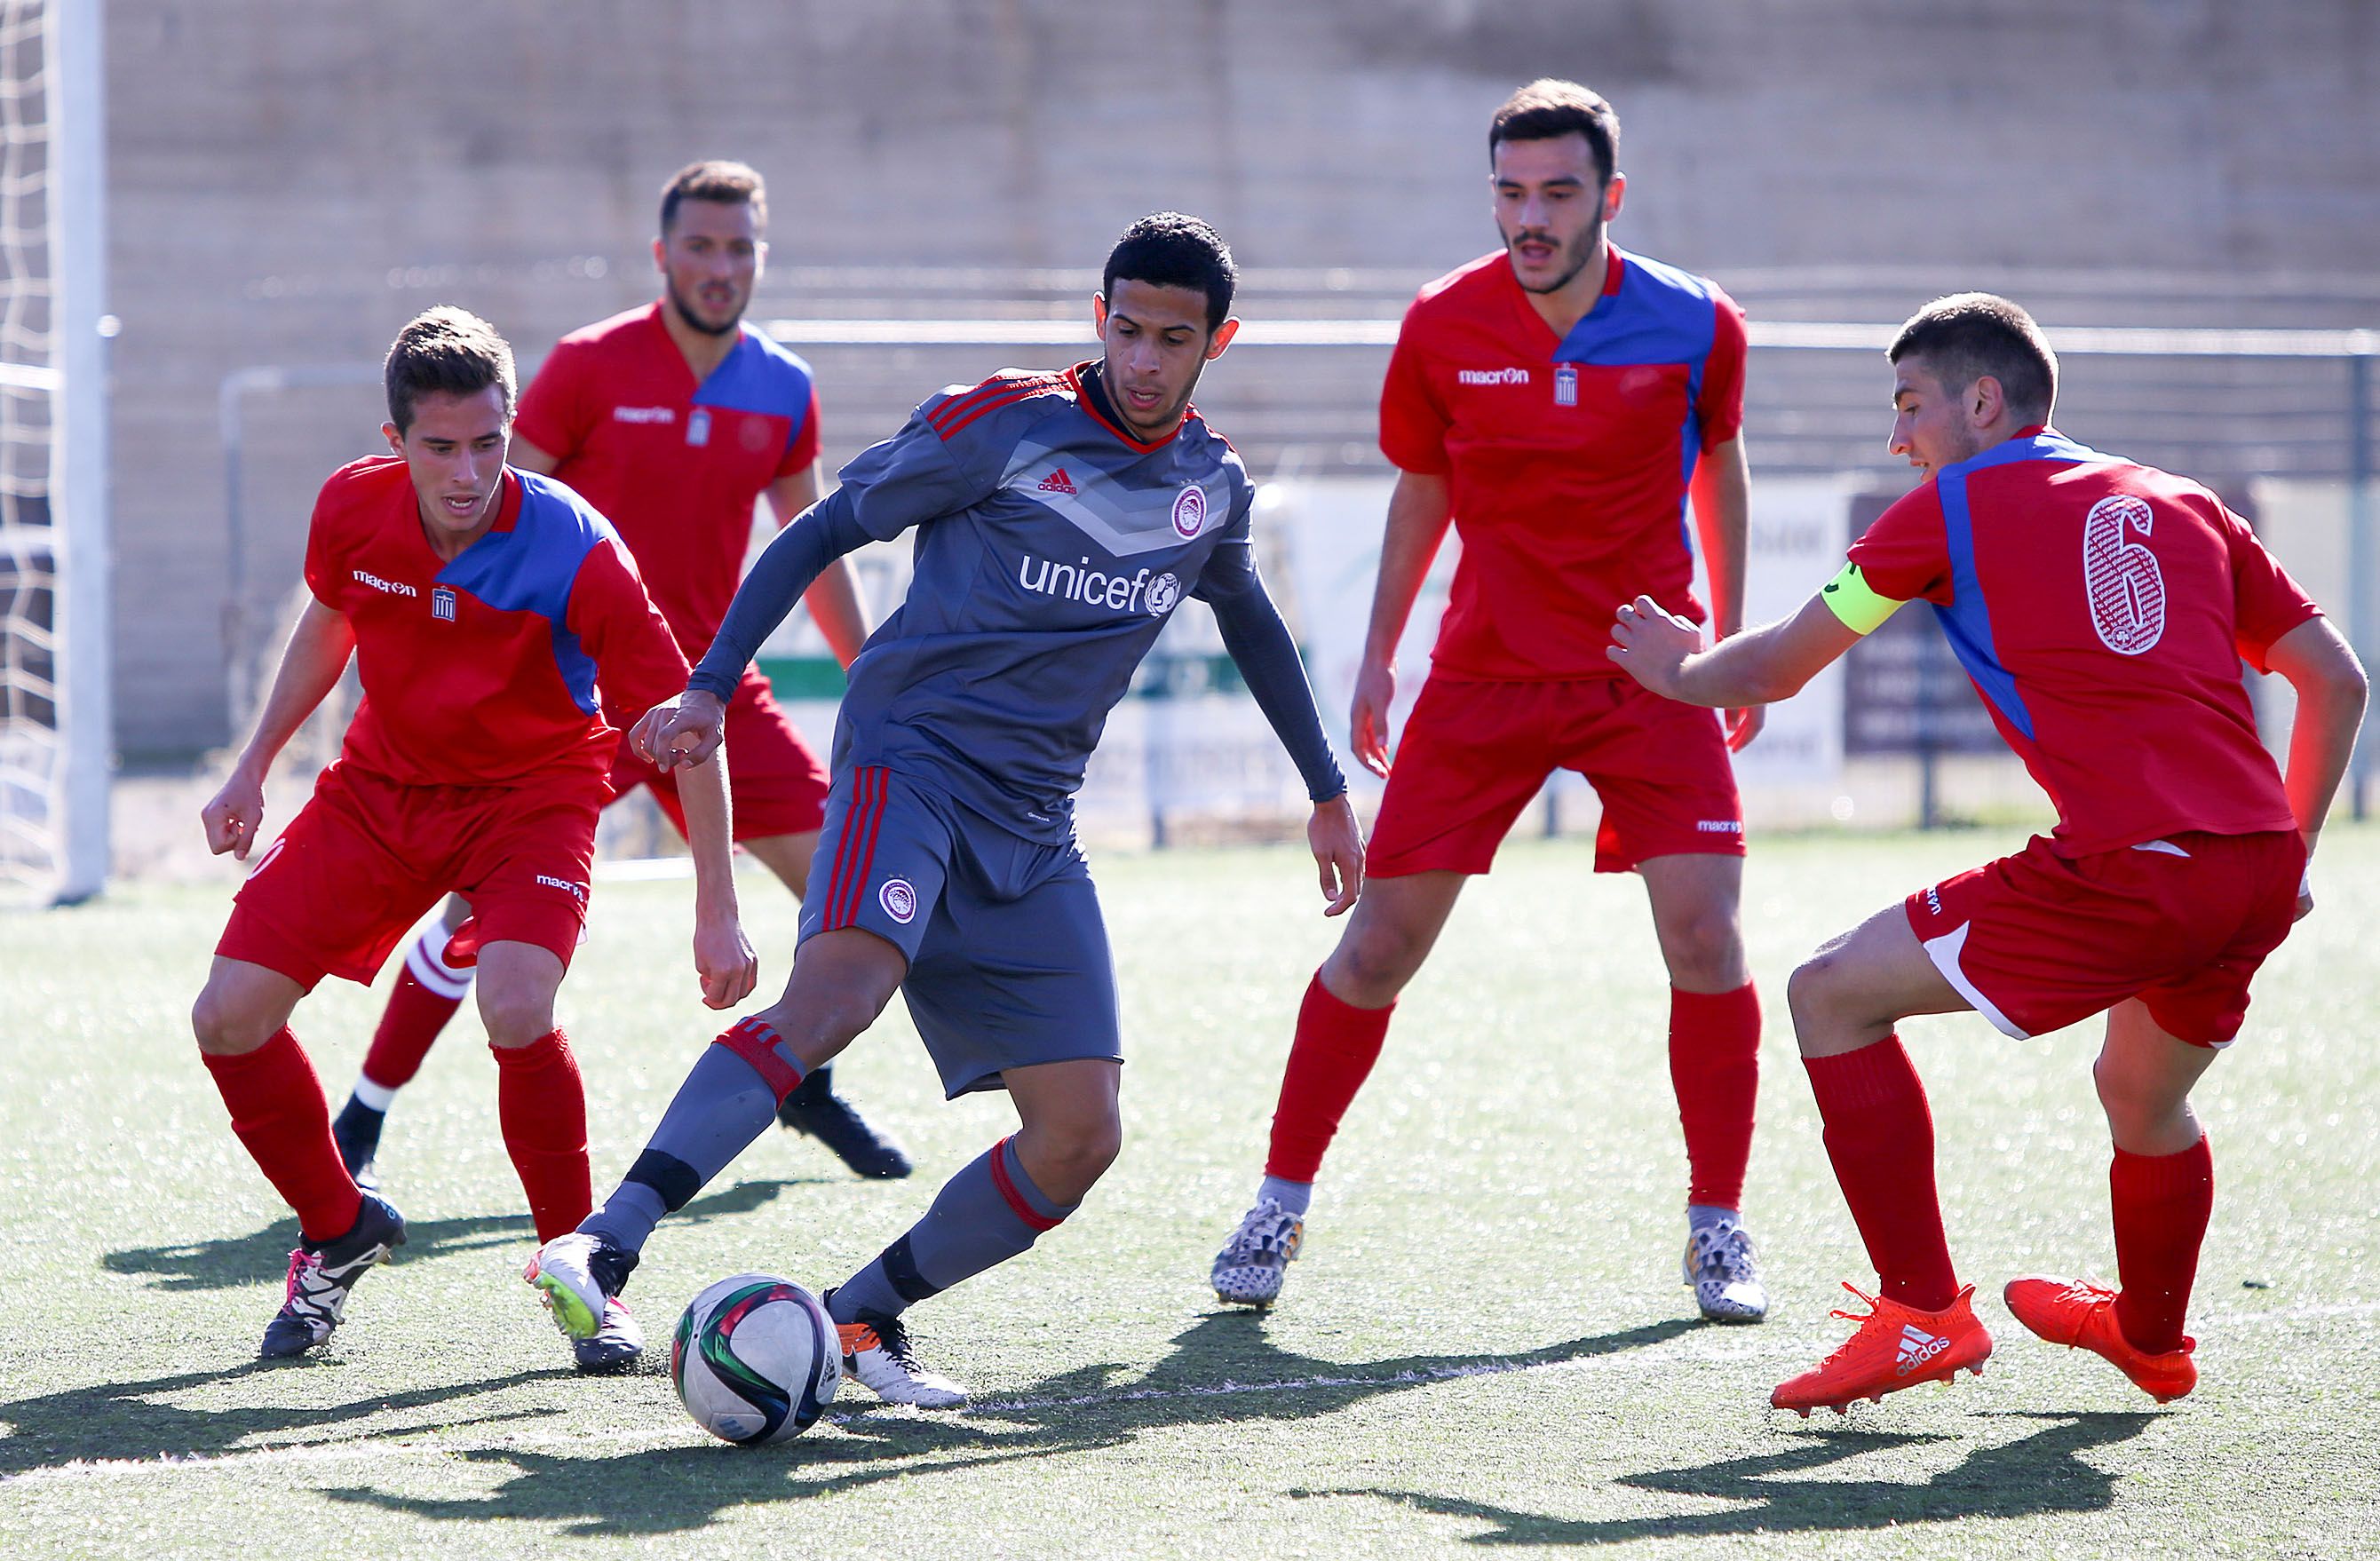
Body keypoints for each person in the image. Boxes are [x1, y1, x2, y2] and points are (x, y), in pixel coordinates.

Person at [525, 212, 1365, 1402]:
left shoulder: (1207, 482)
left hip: (1034, 822)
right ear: (1099, 318)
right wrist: (710, 684)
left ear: (1215, 342)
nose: (1142, 359)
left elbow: (1247, 615)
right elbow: (820, 526)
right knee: (840, 994)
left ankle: (857, 1319)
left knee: (1080, 1134)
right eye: (1125, 329)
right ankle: (604, 1242)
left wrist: (1326, 789)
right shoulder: (1002, 423)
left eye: (1172, 339)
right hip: (909, 762)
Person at [1606, 292, 2367, 1413]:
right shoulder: (2187, 499)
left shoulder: (1951, 506)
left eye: (1910, 405)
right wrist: (2289, 851)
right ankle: (2151, 1343)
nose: (1897, 437)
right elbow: (2336, 679)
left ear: (1982, 400)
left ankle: (1921, 1316)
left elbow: (1772, 668)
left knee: (1828, 994)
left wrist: (1678, 667)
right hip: (2247, 870)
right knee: (2141, 1098)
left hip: (2131, 866)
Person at [1209, 78, 1771, 1324]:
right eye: (1512, 191)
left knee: (1707, 939)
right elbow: (1422, 493)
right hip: (1485, 675)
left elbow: (1722, 466)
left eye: (1559, 192)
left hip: (1648, 670)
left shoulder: (1696, 323)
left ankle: (1717, 1225)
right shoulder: (1441, 323)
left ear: (1609, 198)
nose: (1532, 215)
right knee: (1379, 945)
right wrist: (1375, 655)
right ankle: (1279, 1200)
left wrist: (1723, 645)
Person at [327, 161, 908, 1190]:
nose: (719, 267)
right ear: (663, 255)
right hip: (568, 704)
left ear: (759, 258)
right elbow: (491, 511)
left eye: (739, 248)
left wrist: (872, 673)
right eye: (700, 246)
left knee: (845, 896)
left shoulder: (785, 387)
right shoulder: (591, 365)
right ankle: (364, 1115)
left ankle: (799, 1083)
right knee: (474, 923)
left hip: (710, 694)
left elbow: (808, 548)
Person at [191, 306, 757, 1364]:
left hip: (533, 797)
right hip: (379, 794)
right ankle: (338, 1230)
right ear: (395, 438)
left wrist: (716, 909)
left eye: (488, 444)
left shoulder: (576, 548)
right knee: (226, 1016)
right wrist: (254, 763)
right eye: (441, 447)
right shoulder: (352, 507)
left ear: (510, 427)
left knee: (514, 1002)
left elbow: (691, 725)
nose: (467, 472)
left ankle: (582, 1265)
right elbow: (332, 618)